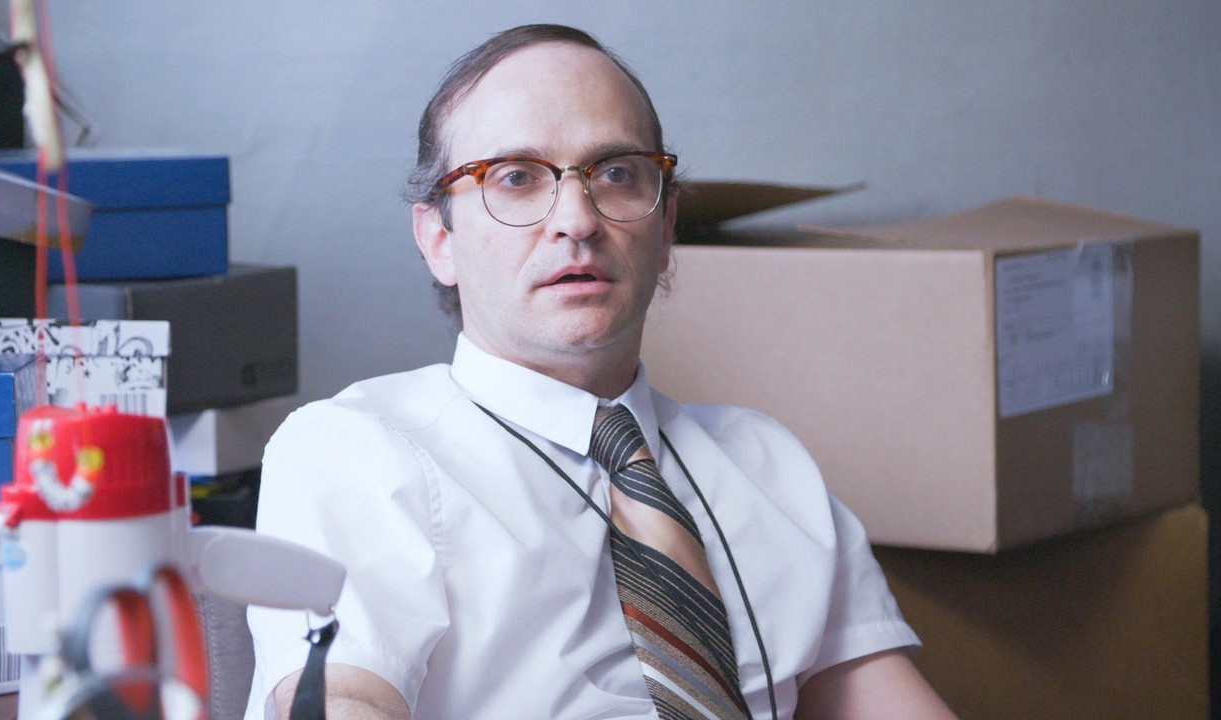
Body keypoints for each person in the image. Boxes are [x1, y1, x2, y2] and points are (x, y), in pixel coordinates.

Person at [245, 23, 957, 720]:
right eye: (515, 177)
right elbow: (346, 700)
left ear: (666, 228)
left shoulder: (769, 466)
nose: (577, 221)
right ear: (439, 241)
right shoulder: (358, 452)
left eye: (615, 174)